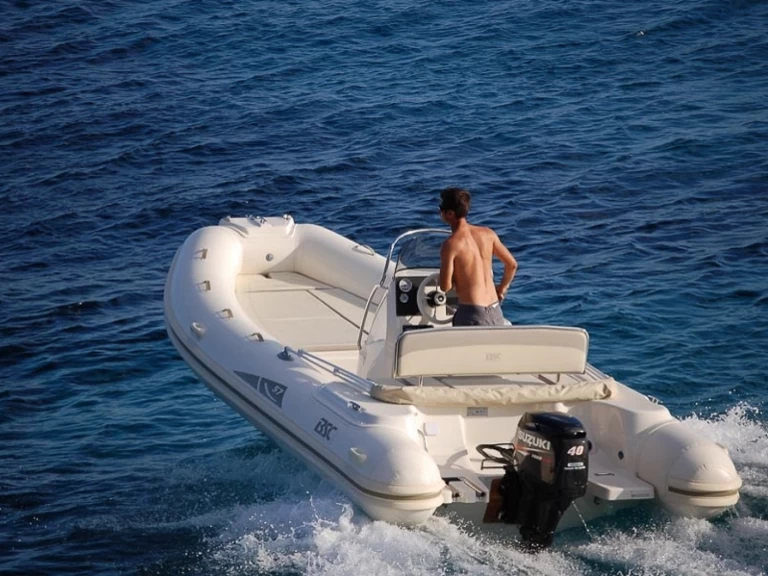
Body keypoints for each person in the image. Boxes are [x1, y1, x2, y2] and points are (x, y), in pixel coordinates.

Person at [437, 187, 518, 326]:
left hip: (471, 313)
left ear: (449, 213)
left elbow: (445, 286)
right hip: (495, 310)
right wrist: (502, 288)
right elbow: (512, 265)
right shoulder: (488, 234)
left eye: (441, 208)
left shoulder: (451, 244)